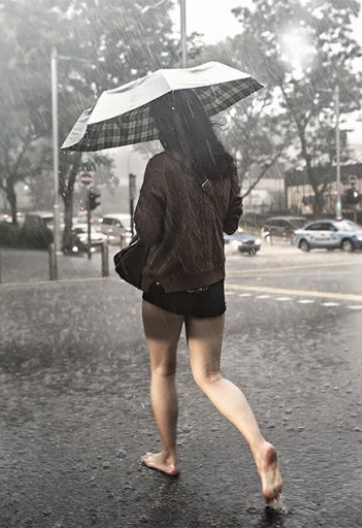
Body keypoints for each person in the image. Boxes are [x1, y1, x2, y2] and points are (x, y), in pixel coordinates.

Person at [133, 90, 283, 506]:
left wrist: (153, 203)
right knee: (211, 376)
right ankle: (258, 445)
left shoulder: (160, 166)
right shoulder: (223, 165)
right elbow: (232, 223)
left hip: (165, 284)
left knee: (163, 371)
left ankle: (168, 455)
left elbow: (147, 230)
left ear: (165, 126)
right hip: (210, 283)